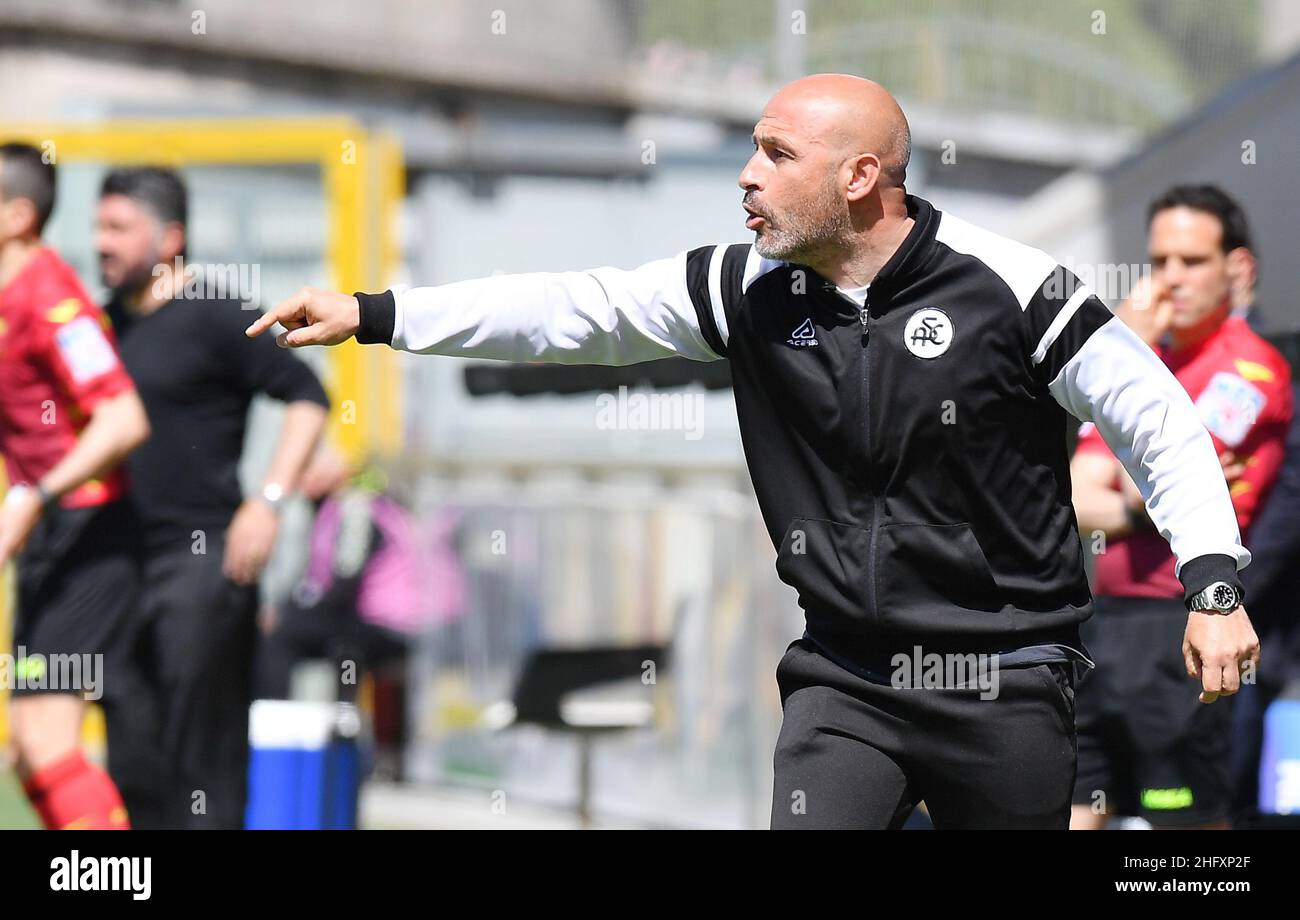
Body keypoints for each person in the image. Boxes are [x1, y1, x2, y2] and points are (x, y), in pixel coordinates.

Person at [247, 75, 1260, 829]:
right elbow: (576, 310)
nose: (747, 175)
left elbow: (1157, 419)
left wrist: (1211, 587)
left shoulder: (1011, 287)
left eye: (776, 153)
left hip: (1004, 678)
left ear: (861, 176)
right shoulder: (746, 287)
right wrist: (377, 312)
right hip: (844, 677)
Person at [95, 167, 330, 828]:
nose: (101, 242)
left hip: (203, 564)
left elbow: (309, 396)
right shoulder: (103, 326)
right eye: (97, 226)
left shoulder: (221, 315)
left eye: (118, 227)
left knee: (202, 756)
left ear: (170, 237)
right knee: (132, 755)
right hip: (118, 566)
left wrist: (268, 501)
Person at [1069, 185, 1291, 829]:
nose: (1171, 279)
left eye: (1192, 261)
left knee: (1186, 834)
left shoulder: (1248, 369)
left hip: (1184, 621)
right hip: (1100, 619)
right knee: (1075, 808)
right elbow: (1078, 494)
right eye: (1159, 260)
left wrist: (1122, 363)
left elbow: (1159, 485)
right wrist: (1122, 358)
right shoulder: (1149, 360)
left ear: (1237, 269)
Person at [0, 142, 150, 829]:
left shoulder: (51, 298)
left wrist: (35, 494)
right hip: (50, 545)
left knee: (48, 741)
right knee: (29, 756)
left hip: (90, 537)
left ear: (19, 215)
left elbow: (123, 418)